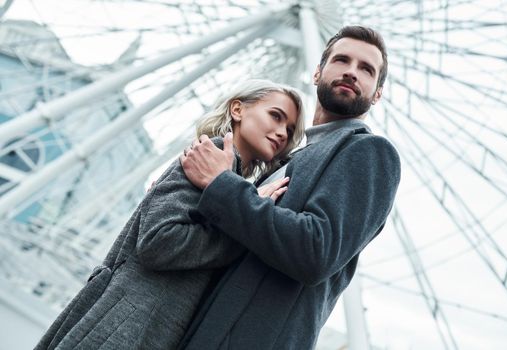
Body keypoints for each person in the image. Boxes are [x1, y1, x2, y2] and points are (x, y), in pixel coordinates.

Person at [34, 79, 305, 350]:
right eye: (275, 116)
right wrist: (244, 230)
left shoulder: (230, 179)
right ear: (237, 109)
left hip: (148, 326)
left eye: (289, 129)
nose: (282, 132)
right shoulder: (206, 157)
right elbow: (158, 242)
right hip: (127, 324)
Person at [179, 26, 401, 349]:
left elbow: (316, 250)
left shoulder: (369, 152)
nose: (352, 72)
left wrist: (221, 185)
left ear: (377, 93)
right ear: (317, 73)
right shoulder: (289, 159)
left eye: (366, 69)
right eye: (342, 60)